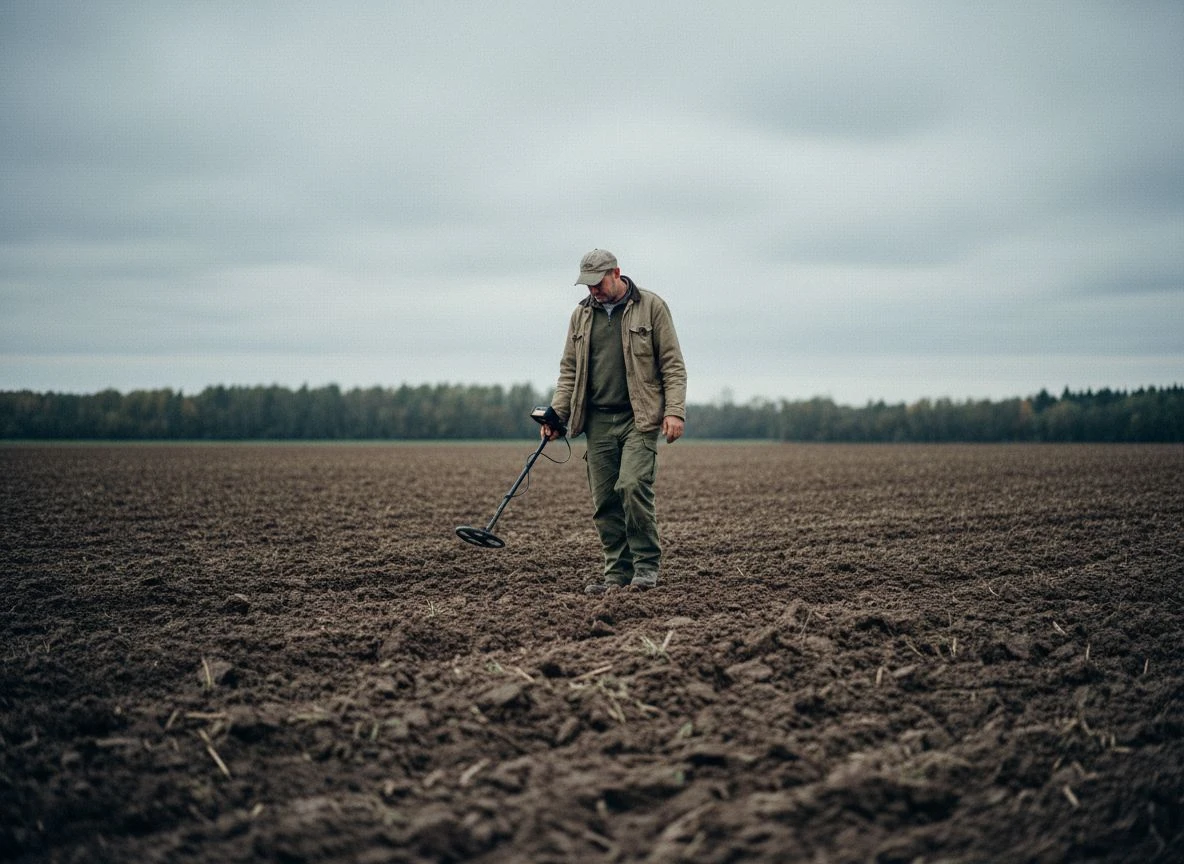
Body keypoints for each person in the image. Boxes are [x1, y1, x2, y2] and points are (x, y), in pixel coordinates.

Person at [540, 249, 687, 595]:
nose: (593, 290)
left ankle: (646, 567)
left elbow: (672, 364)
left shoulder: (651, 307)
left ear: (616, 273)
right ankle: (616, 575)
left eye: (598, 282)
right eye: (587, 285)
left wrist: (675, 410)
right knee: (605, 499)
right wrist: (557, 415)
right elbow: (569, 372)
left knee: (633, 486)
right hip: (598, 421)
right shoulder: (581, 316)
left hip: (639, 417)